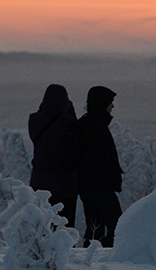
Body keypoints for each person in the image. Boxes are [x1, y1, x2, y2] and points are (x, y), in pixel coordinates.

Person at [76, 86, 123, 247]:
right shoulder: (95, 126)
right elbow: (101, 158)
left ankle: (90, 259)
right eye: (110, 102)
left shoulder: (87, 123)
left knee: (94, 227)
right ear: (102, 103)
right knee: (116, 226)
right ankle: (108, 259)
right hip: (99, 186)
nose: (112, 106)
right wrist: (113, 177)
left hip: (88, 186)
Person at [28, 84, 79, 228]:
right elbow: (76, 135)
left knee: (42, 227)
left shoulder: (34, 120)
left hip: (39, 182)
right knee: (64, 228)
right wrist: (70, 110)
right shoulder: (67, 122)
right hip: (64, 183)